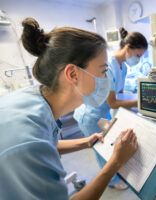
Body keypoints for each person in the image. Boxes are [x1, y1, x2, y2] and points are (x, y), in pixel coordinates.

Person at [0, 17, 138, 200]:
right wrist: (115, 162)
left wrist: (85, 142)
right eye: (103, 71)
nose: (106, 78)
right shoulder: (27, 140)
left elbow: (46, 144)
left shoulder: (35, 100)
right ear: (73, 74)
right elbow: (33, 145)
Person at [73, 27, 147, 189]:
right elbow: (113, 102)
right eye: (138, 55)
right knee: (102, 149)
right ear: (128, 48)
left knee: (110, 145)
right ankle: (112, 182)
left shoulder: (124, 67)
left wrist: (133, 102)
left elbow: (118, 94)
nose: (139, 59)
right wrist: (139, 102)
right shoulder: (109, 66)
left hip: (103, 112)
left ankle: (115, 171)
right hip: (91, 115)